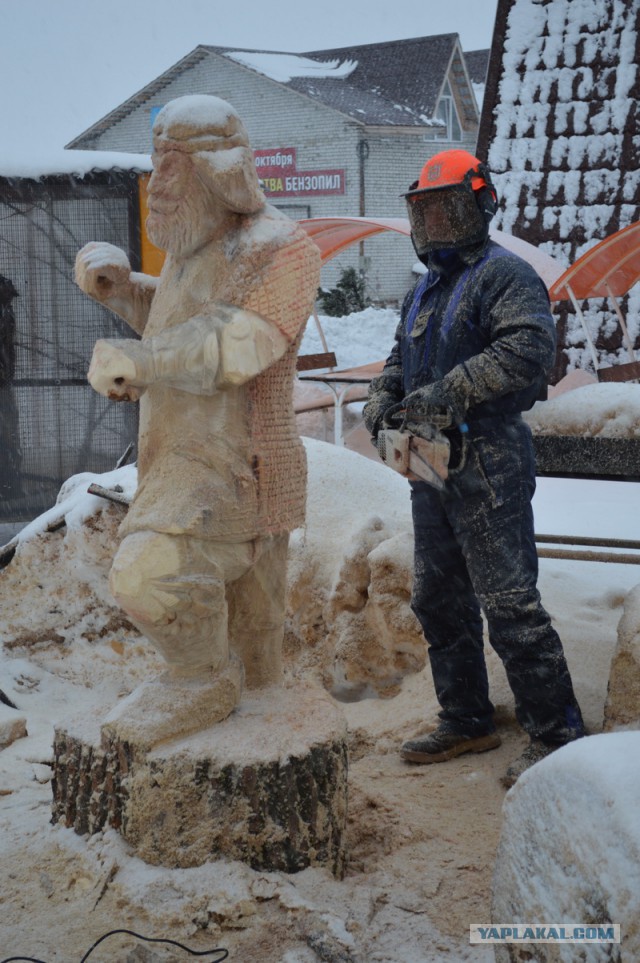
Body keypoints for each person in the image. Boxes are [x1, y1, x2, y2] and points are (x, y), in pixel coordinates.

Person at [75, 94, 320, 748]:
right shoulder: (194, 247)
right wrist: (124, 291)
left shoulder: (281, 247)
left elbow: (233, 346)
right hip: (183, 461)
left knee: (149, 570)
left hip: (240, 472)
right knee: (262, 668)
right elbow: (180, 324)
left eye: (173, 167)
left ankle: (199, 677)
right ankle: (230, 692)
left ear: (219, 169)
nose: (158, 186)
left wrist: (143, 359)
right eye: (157, 165)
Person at [363, 149, 584, 788]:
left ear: (480, 205)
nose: (435, 221)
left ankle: (557, 733)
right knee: (438, 595)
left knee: (509, 601)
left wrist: (451, 391)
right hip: (431, 463)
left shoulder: (504, 276)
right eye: (425, 210)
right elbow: (398, 362)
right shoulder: (424, 288)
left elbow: (526, 351)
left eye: (447, 207)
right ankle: (467, 717)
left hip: (489, 456)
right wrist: (385, 399)